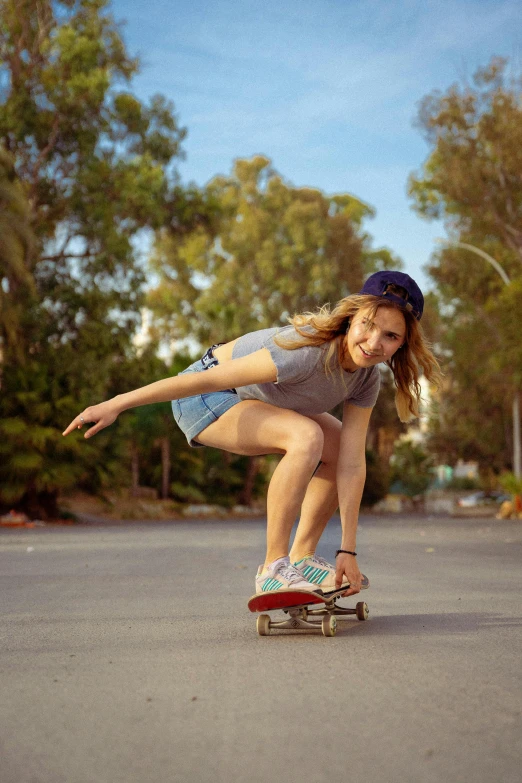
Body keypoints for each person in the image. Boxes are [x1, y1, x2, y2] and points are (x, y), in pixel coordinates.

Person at [63, 271, 441, 598]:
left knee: (339, 445)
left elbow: (352, 463)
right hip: (204, 396)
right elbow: (203, 380)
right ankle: (273, 568)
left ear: (402, 345)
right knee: (306, 436)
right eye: (368, 326)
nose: (375, 343)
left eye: (390, 336)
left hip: (251, 402)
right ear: (350, 317)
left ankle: (303, 559)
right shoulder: (305, 350)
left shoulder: (366, 380)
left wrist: (348, 550)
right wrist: (117, 403)